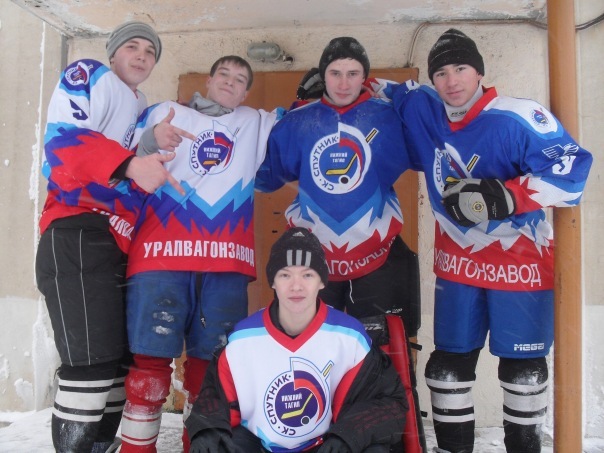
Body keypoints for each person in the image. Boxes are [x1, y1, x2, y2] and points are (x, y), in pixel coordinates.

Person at [387, 29, 593, 452]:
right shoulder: (426, 110)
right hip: (458, 268)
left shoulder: (518, 117)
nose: (451, 80)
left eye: (461, 68)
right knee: (446, 371)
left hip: (521, 267)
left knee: (523, 375)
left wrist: (508, 196)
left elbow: (572, 175)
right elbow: (388, 91)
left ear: (479, 71)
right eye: (440, 73)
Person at [119, 56, 279, 452]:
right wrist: (150, 140)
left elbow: (301, 127)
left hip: (225, 264)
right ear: (208, 80)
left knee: (211, 369)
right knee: (149, 366)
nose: (230, 82)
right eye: (223, 74)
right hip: (160, 257)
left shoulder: (255, 122)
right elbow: (121, 159)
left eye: (240, 79)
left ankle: (200, 445)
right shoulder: (165, 113)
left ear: (246, 92)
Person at [34, 21, 179, 453]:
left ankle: (100, 446)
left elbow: (123, 153)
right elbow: (63, 143)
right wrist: (133, 164)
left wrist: (147, 143)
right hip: (77, 228)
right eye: (132, 46)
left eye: (150, 51)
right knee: (90, 365)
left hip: (117, 241)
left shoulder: (140, 103)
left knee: (117, 364)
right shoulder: (89, 74)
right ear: (113, 53)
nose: (141, 55)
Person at [255, 36, 421, 343]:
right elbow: (265, 178)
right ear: (324, 75)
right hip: (312, 259)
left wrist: (401, 93)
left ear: (364, 76)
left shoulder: (390, 117)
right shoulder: (298, 121)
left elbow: (435, 138)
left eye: (353, 73)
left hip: (377, 256)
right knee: (311, 348)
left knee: (376, 352)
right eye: (335, 73)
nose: (344, 83)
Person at [186, 227, 408, 452]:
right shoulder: (243, 340)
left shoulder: (350, 338)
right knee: (213, 445)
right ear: (273, 281)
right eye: (285, 275)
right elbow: (214, 399)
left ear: (322, 281)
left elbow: (389, 402)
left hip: (325, 446)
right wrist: (207, 429)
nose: (296, 286)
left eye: (307, 275)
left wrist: (347, 436)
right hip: (259, 447)